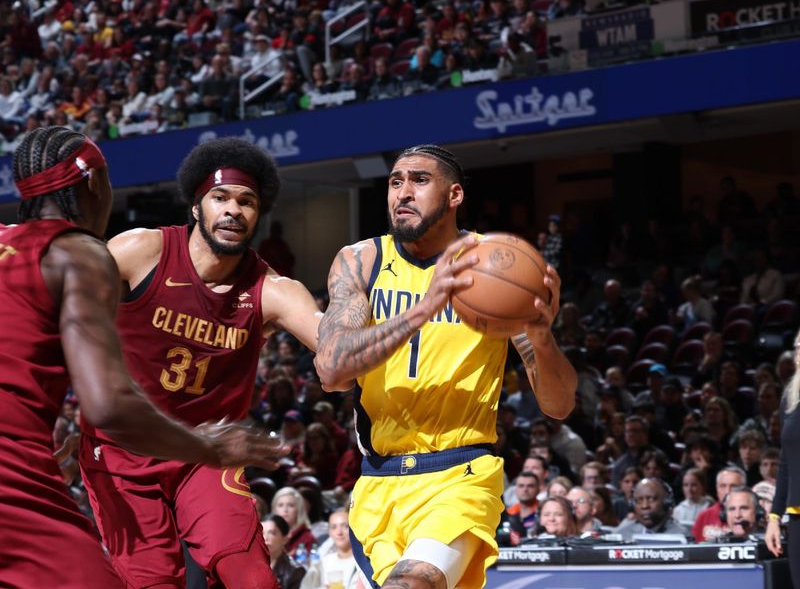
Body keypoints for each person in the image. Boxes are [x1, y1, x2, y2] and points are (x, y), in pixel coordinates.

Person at [0, 127, 287, 588]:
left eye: (246, 201)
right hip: (47, 466)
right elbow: (109, 406)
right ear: (96, 185)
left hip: (69, 452)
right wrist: (209, 446)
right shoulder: (85, 252)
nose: (233, 209)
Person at [315, 144, 578, 589]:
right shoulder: (363, 260)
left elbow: (558, 405)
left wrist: (540, 338)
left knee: (413, 584)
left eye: (419, 180)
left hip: (461, 473)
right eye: (396, 182)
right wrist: (421, 310)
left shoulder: (491, 266)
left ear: (454, 195)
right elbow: (331, 372)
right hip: (379, 483)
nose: (403, 192)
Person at [78, 137, 324, 589]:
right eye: (221, 197)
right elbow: (63, 317)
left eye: (247, 201)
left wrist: (367, 309)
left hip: (205, 453)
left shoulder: (272, 289)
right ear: (196, 207)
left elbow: (336, 358)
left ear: (258, 215)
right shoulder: (140, 251)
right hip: (122, 450)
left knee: (254, 580)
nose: (234, 210)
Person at [766, 330, 800, 587]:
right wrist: (775, 517)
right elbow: (786, 462)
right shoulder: (790, 398)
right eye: (798, 348)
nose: (799, 354)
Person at [301, 509, 363, 589]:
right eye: (334, 527)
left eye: (345, 526)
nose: (339, 532)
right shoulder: (324, 561)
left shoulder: (362, 562)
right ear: (329, 532)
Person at [614, 478, 687, 541]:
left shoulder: (681, 537)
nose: (645, 506)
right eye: (639, 500)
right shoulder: (622, 534)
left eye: (651, 499)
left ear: (666, 503)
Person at [692, 466, 747, 543]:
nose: (727, 491)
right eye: (723, 486)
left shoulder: (753, 513)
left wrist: (770, 516)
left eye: (734, 486)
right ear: (717, 489)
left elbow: (770, 516)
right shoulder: (704, 516)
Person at [263, 514, 306, 589]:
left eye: (272, 533)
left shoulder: (296, 571)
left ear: (285, 539)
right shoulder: (248, 565)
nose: (265, 538)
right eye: (261, 533)